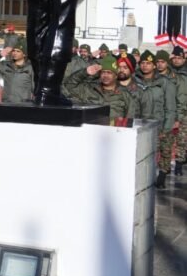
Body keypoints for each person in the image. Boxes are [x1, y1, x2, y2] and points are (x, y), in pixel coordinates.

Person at [131, 51, 176, 187]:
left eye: (148, 63)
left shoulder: (165, 83)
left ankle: (161, 176)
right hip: (141, 124)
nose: (145, 66)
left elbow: (170, 107)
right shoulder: (134, 80)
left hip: (159, 123)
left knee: (164, 152)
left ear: (154, 66)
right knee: (142, 154)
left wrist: (167, 128)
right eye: (143, 63)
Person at [63, 56, 137, 123]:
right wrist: (85, 72)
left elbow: (130, 120)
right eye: (103, 72)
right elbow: (70, 86)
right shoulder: (90, 89)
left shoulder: (125, 94)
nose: (105, 76)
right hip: (92, 132)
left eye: (109, 73)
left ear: (115, 75)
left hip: (114, 133)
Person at [156, 50, 187, 176]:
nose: (176, 60)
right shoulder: (166, 72)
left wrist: (179, 117)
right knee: (166, 143)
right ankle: (165, 168)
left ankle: (179, 164)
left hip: (182, 111)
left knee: (181, 140)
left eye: (179, 58)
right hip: (165, 112)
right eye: (174, 58)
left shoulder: (181, 75)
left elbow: (182, 97)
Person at [0, 35, 34, 103]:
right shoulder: (6, 65)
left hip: (23, 105)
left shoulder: (30, 68)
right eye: (13, 51)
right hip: (7, 103)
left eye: (18, 51)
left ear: (24, 54)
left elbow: (35, 88)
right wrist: (0, 54)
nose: (15, 53)